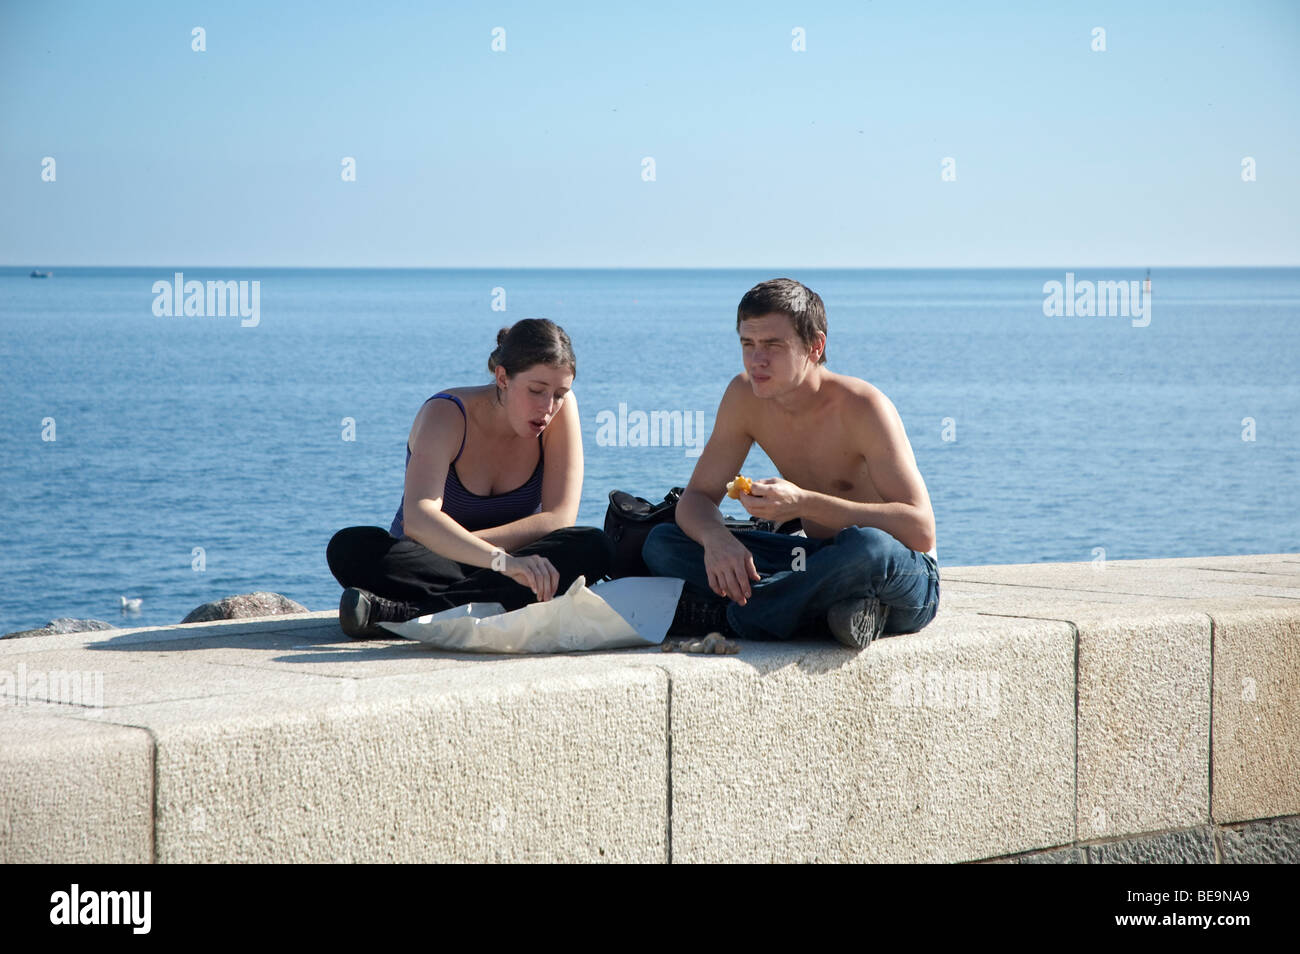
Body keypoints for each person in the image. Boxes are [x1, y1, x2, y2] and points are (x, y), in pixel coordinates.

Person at [641, 278, 940, 649]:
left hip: (899, 572)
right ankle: (828, 612)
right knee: (663, 542)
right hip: (811, 561)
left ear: (815, 346)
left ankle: (738, 615)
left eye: (772, 346)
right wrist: (717, 539)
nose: (756, 360)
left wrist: (802, 504)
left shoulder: (864, 408)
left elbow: (920, 531)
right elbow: (697, 498)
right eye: (747, 345)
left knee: (867, 548)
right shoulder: (744, 396)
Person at [327, 318, 614, 638]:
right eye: (536, 390)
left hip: (510, 566)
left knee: (593, 545)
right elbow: (419, 521)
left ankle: (408, 614)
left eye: (560, 393)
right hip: (436, 562)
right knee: (349, 547)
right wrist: (499, 563)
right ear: (502, 377)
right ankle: (486, 603)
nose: (548, 407)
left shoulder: (561, 411)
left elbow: (558, 520)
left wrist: (504, 562)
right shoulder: (445, 414)